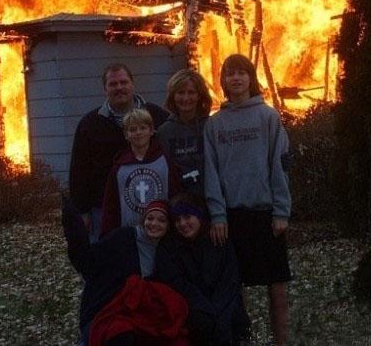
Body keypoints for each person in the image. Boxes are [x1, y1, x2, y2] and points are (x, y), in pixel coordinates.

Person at [204, 53, 292, 346]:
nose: (236, 78)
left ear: (251, 79)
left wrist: (281, 211)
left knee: (276, 284)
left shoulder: (268, 116)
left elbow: (278, 165)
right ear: (223, 82)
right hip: (232, 216)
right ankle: (243, 339)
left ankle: (281, 340)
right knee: (235, 285)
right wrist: (218, 215)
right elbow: (212, 172)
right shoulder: (214, 125)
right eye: (230, 74)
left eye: (242, 73)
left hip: (265, 212)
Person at [62, 198, 189, 346]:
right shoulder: (123, 238)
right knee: (121, 334)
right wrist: (75, 230)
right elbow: (89, 261)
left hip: (145, 312)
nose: (154, 224)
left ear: (168, 226)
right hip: (110, 308)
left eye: (161, 220)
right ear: (143, 220)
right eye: (150, 218)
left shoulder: (167, 250)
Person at [69, 63, 169, 242]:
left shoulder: (158, 117)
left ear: (132, 84)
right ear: (105, 89)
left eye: (124, 82)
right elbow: (79, 170)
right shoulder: (90, 124)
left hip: (152, 206)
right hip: (104, 207)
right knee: (110, 256)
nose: (119, 88)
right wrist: (82, 210)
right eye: (113, 84)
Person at [155, 192, 250, 346]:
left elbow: (230, 278)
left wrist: (218, 309)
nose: (183, 224)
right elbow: (176, 283)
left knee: (234, 321)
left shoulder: (218, 240)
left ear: (198, 216)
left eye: (187, 217)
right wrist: (205, 307)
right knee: (201, 323)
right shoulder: (169, 248)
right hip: (192, 304)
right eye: (177, 220)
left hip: (223, 301)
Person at [100, 108, 181, 235]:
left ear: (151, 130)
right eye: (132, 129)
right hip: (130, 233)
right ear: (126, 135)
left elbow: (175, 194)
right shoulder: (119, 168)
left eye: (143, 128)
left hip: (163, 232)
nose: (138, 133)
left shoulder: (164, 161)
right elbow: (111, 205)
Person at [157, 69, 212, 195]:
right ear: (173, 96)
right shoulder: (164, 132)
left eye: (191, 92)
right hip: (178, 201)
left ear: (199, 95)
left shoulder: (211, 126)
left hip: (209, 198)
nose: (186, 98)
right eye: (180, 93)